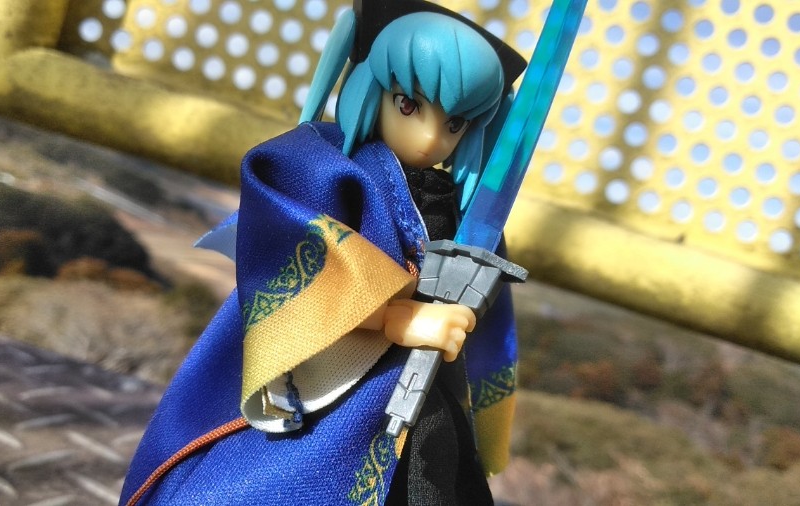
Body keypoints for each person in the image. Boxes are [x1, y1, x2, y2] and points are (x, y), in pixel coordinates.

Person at [120, 1, 525, 504]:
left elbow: (483, 300)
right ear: (374, 88)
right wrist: (394, 317)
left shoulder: (461, 210)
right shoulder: (320, 167)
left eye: (455, 123)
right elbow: (297, 248)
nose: (430, 138)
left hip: (424, 391)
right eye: (408, 105)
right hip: (328, 386)